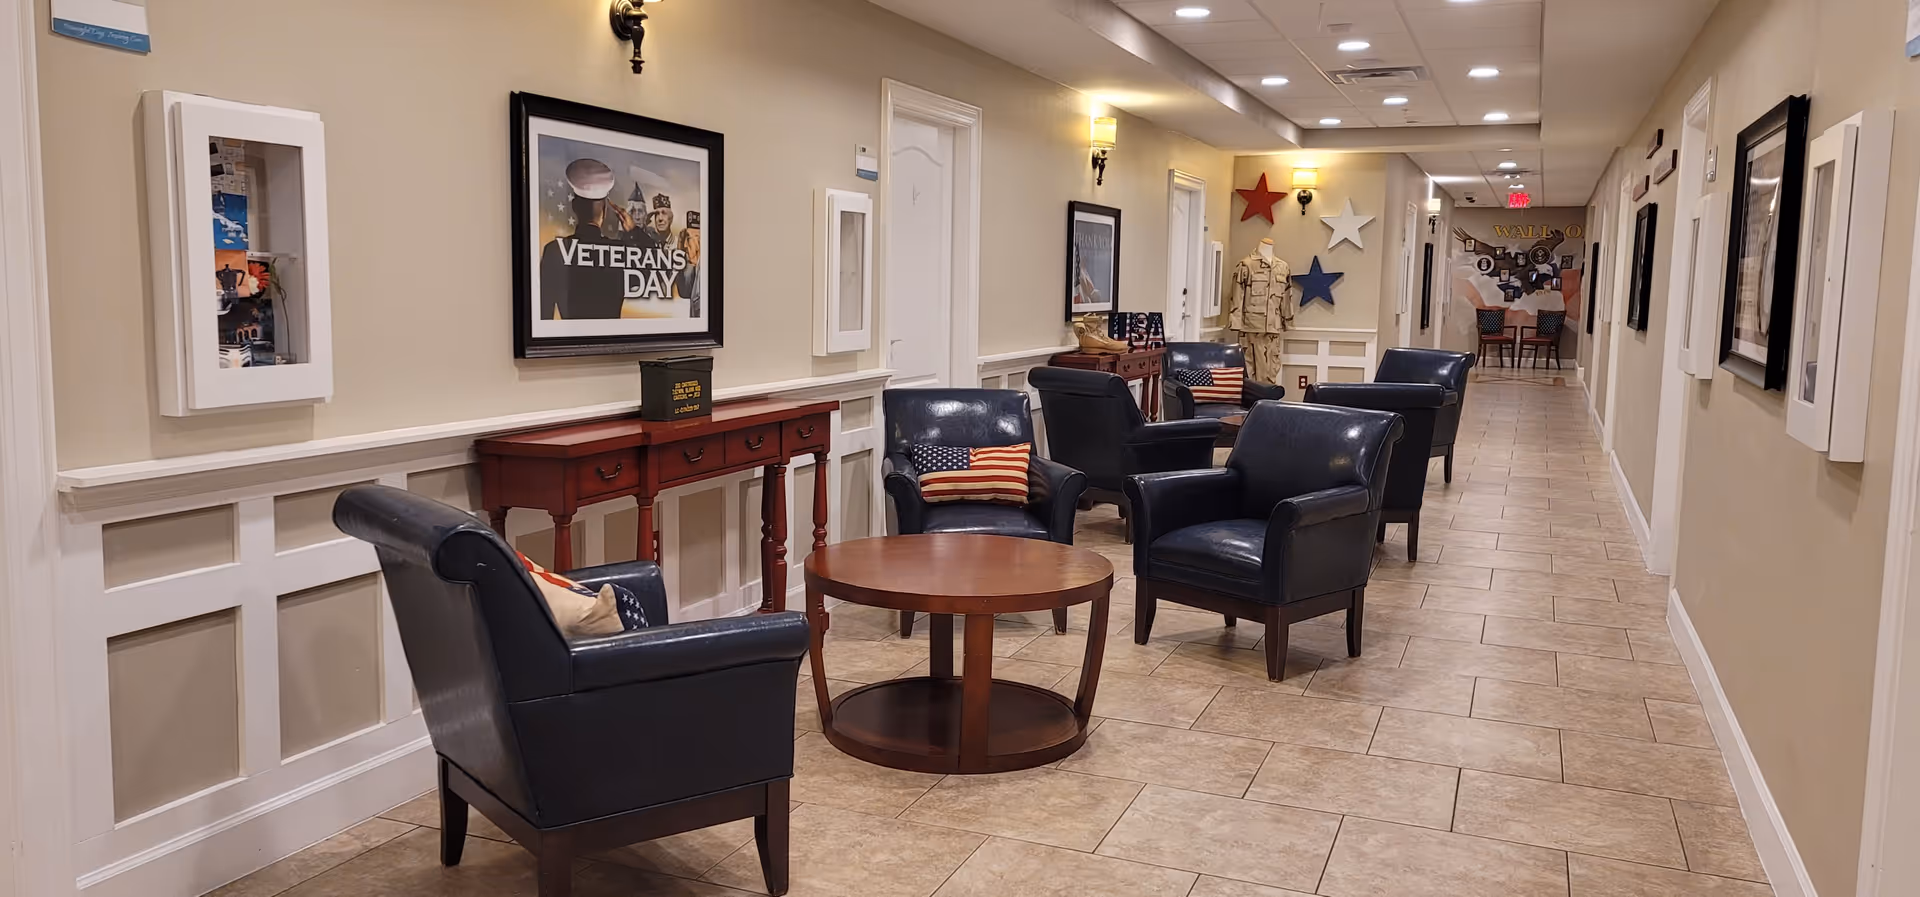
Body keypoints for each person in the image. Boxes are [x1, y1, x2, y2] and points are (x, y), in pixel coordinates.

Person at [537, 158, 637, 321]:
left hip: (569, 344)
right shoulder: (619, 253)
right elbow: (658, 268)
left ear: (574, 206)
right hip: (611, 344)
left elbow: (543, 314)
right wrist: (634, 231)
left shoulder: (554, 250)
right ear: (604, 210)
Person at [672, 209, 701, 316]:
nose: (685, 245)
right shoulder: (696, 267)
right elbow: (684, 291)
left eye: (688, 238)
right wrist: (679, 252)